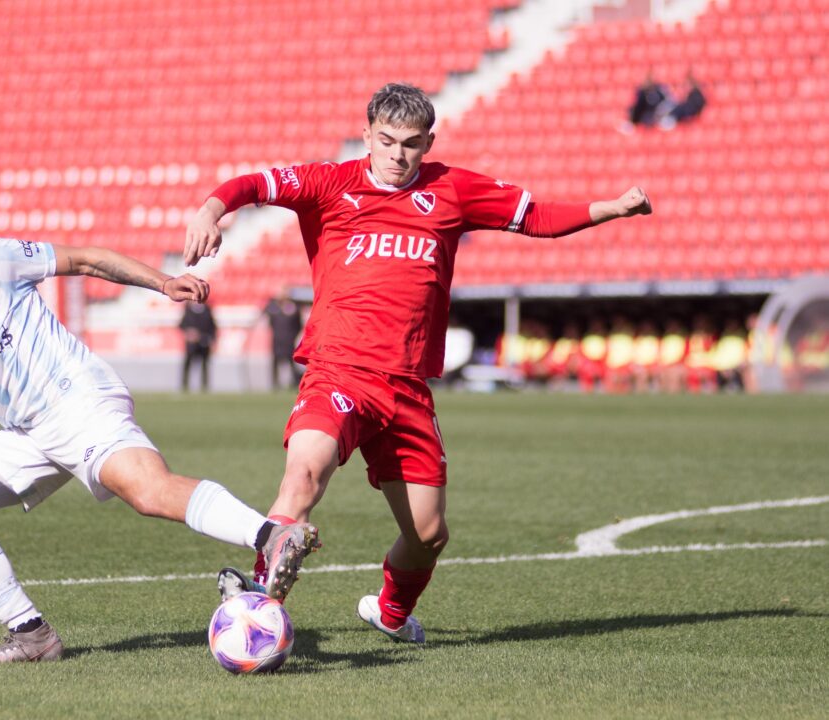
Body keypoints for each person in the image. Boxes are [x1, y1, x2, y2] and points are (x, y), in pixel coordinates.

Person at [184, 83, 652, 643]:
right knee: (304, 474)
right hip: (339, 370)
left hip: (407, 389)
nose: (398, 154)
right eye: (386, 141)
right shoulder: (331, 183)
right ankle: (258, 604)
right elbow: (253, 184)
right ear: (367, 136)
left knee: (428, 534)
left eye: (411, 144)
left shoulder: (451, 190)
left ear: (428, 142)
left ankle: (389, 612)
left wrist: (614, 208)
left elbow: (537, 216)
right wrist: (211, 209)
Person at [0, 190, 318, 664]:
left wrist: (162, 283)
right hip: (31, 433)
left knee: (146, 490)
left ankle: (270, 535)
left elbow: (85, 260)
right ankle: (33, 637)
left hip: (78, 397)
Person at [263, 289, 303, 390]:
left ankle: (294, 383)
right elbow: (267, 316)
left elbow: (298, 324)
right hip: (277, 340)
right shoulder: (274, 308)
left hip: (289, 340)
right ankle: (275, 384)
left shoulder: (293, 308)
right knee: (275, 363)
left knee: (291, 363)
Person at [179, 299, 217, 392]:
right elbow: (182, 325)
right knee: (188, 364)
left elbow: (212, 327)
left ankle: (204, 386)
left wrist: (212, 340)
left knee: (204, 365)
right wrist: (189, 333)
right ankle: (185, 385)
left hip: (204, 342)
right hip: (192, 344)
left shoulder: (207, 310)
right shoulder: (188, 310)